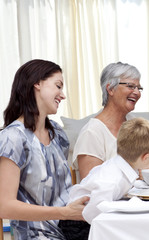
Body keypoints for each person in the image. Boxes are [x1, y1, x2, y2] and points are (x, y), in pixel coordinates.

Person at [0, 59, 89, 239]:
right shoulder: (13, 138)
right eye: (58, 86)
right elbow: (4, 206)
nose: (63, 95)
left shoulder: (58, 134)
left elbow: (62, 193)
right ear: (37, 83)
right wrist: (64, 213)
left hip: (71, 231)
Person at [72, 62, 149, 181]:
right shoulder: (92, 132)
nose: (137, 93)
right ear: (110, 89)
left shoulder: (133, 122)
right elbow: (92, 184)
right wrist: (136, 171)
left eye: (139, 88)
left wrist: (144, 169)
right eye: (131, 86)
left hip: (140, 196)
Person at [67, 118, 149, 226]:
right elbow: (92, 212)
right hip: (78, 223)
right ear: (145, 157)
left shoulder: (121, 167)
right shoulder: (112, 180)